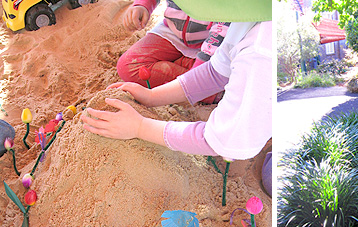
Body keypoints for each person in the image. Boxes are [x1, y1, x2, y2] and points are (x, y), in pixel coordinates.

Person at [81, 0, 272, 194]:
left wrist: (139, 127)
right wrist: (151, 96)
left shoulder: (260, 53)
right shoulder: (248, 16)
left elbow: (221, 139)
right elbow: (215, 72)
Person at [118, 0, 230, 103]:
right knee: (127, 65)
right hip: (172, 31)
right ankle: (201, 84)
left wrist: (199, 72)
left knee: (206, 74)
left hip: (211, 41)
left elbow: (223, 28)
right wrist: (143, 5)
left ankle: (211, 92)